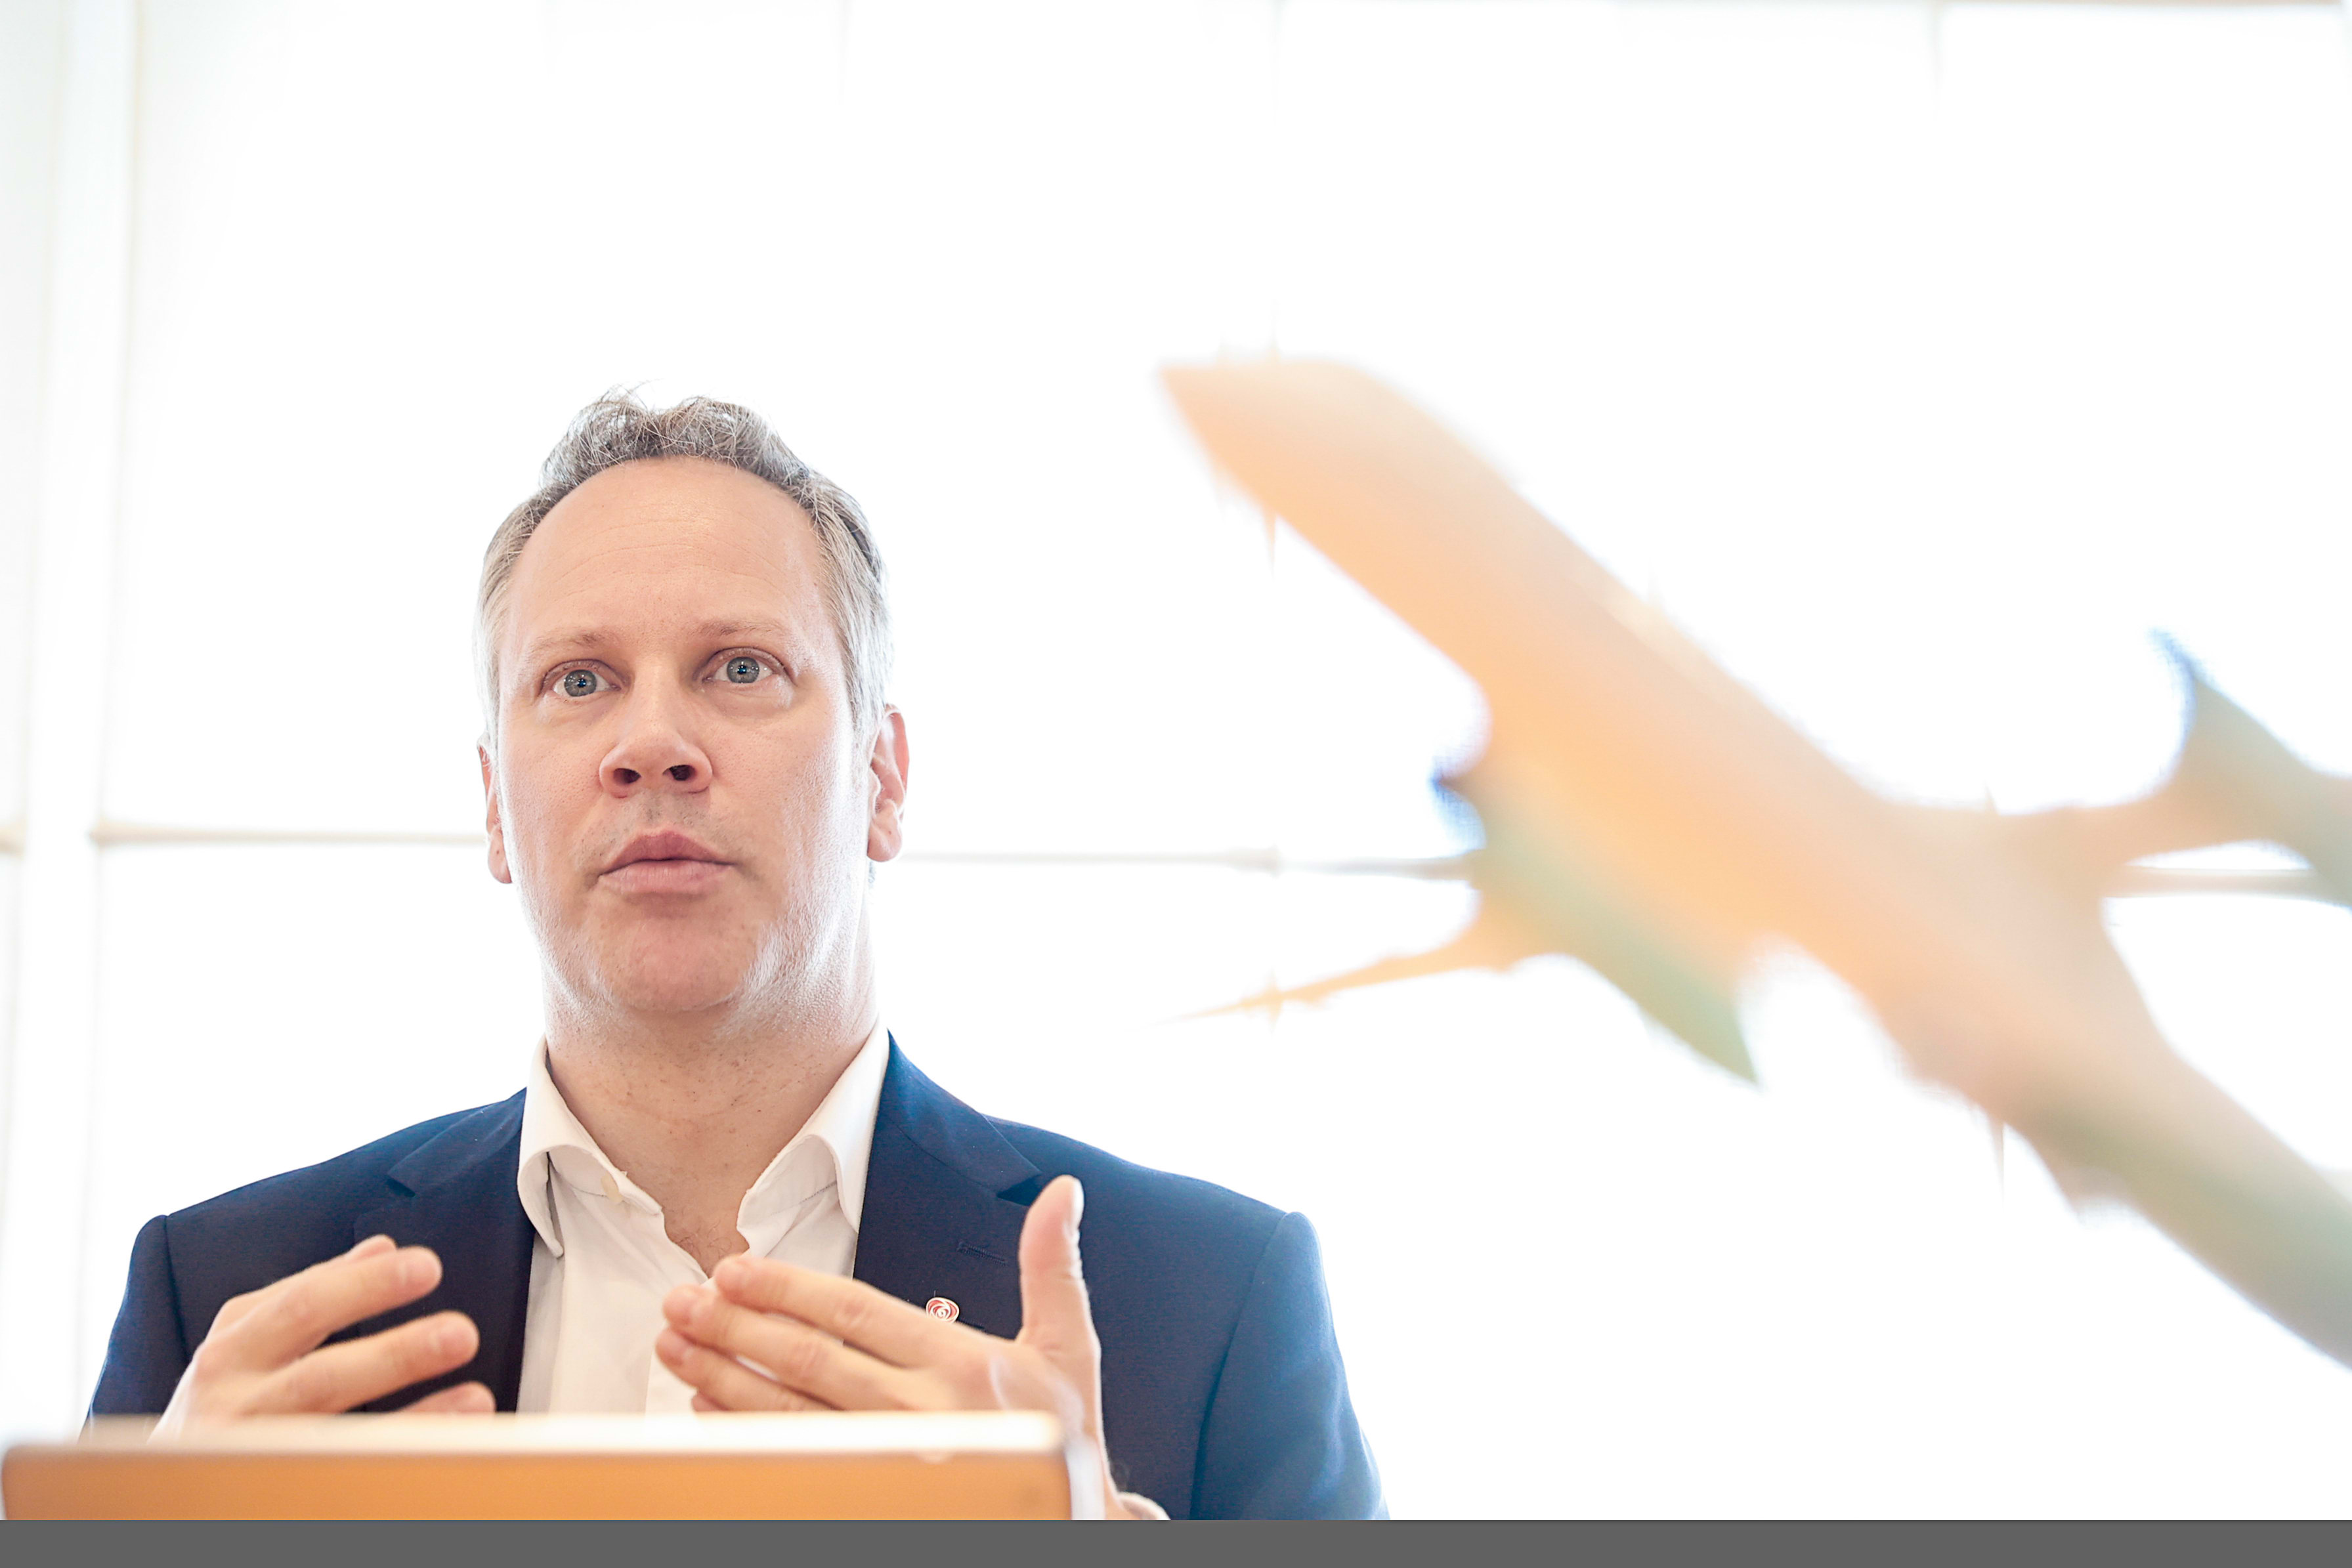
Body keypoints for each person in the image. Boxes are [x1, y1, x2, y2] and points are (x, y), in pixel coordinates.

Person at [89, 394, 1384, 1521]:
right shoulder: (222, 1307)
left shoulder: (1209, 1305)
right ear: (493, 806)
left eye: (741, 667)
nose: (651, 744)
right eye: (579, 681)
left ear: (882, 777)